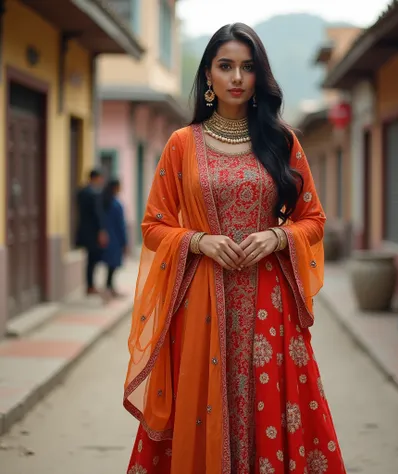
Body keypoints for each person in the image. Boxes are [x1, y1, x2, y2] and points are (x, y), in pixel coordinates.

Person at [125, 23, 346, 474]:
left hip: (270, 306)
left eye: (248, 67)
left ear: (259, 76)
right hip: (203, 303)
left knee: (270, 406)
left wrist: (279, 235)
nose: (237, 77)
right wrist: (199, 241)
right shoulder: (181, 145)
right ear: (208, 74)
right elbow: (153, 226)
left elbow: (314, 220)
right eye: (226, 66)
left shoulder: (282, 142)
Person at [76, 169, 108, 295]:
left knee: (92, 259)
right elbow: (97, 214)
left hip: (87, 231)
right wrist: (101, 231)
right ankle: (90, 285)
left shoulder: (84, 192)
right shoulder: (91, 193)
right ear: (94, 178)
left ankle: (91, 285)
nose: (101, 181)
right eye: (100, 178)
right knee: (92, 259)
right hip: (92, 232)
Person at [101, 179, 128, 298]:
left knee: (110, 264)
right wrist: (125, 242)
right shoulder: (116, 204)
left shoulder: (106, 202)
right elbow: (121, 225)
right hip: (115, 238)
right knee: (113, 264)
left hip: (108, 237)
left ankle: (109, 287)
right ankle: (109, 288)